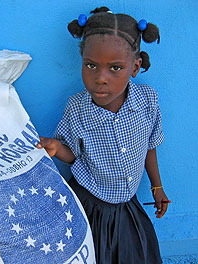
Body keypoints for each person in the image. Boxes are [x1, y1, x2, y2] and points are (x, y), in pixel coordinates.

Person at [37, 6, 169, 264]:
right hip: (89, 204)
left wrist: (157, 186)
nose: (100, 78)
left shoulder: (148, 102)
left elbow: (150, 145)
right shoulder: (77, 108)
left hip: (126, 208)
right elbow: (73, 155)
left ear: (135, 67)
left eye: (115, 68)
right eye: (91, 65)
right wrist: (55, 147)